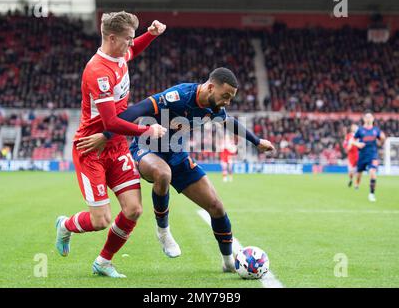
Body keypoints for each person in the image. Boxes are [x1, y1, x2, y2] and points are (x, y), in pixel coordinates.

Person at [76, 67, 275, 272]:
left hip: (177, 155)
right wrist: (106, 135)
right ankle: (163, 232)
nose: (227, 102)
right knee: (163, 173)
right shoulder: (178, 96)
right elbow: (137, 110)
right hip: (146, 149)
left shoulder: (214, 108)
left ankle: (228, 262)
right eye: (225, 96)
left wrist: (256, 141)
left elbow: (228, 121)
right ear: (210, 87)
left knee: (216, 206)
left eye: (231, 98)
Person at [55, 11, 167, 278]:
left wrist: (149, 35)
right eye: (128, 38)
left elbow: (133, 50)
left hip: (116, 149)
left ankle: (104, 262)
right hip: (91, 149)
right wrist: (146, 129)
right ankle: (65, 225)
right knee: (100, 221)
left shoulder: (119, 55)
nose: (131, 42)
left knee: (134, 209)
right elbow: (111, 122)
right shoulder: (98, 71)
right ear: (112, 37)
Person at [352, 113, 386, 202]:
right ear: (364, 119)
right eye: (366, 117)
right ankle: (357, 184)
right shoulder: (360, 130)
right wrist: (357, 144)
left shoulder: (376, 130)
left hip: (373, 155)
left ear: (373, 119)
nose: (368, 119)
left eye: (370, 117)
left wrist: (382, 139)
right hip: (362, 156)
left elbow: (381, 142)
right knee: (359, 174)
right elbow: (352, 141)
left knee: (372, 172)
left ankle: (371, 194)